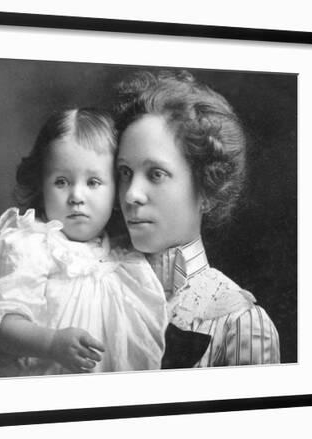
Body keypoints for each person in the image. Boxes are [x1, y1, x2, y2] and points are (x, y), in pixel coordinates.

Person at [0, 108, 168, 377]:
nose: (76, 196)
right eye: (61, 181)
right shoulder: (29, 246)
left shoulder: (127, 258)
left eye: (93, 182)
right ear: (41, 184)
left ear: (117, 190)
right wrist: (51, 343)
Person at [114, 70, 281, 368]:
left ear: (206, 188)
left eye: (156, 174)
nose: (131, 194)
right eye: (125, 173)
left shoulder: (237, 322)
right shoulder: (91, 285)